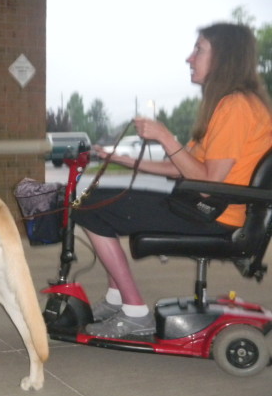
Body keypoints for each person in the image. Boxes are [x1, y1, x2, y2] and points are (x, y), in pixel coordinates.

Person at [72, 22, 272, 338]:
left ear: (223, 57)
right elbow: (183, 167)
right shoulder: (231, 103)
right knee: (97, 199)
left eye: (199, 49)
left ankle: (135, 313)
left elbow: (207, 180)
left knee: (89, 208)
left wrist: (164, 136)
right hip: (211, 207)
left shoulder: (236, 106)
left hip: (217, 215)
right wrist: (120, 159)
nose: (189, 58)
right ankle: (116, 299)